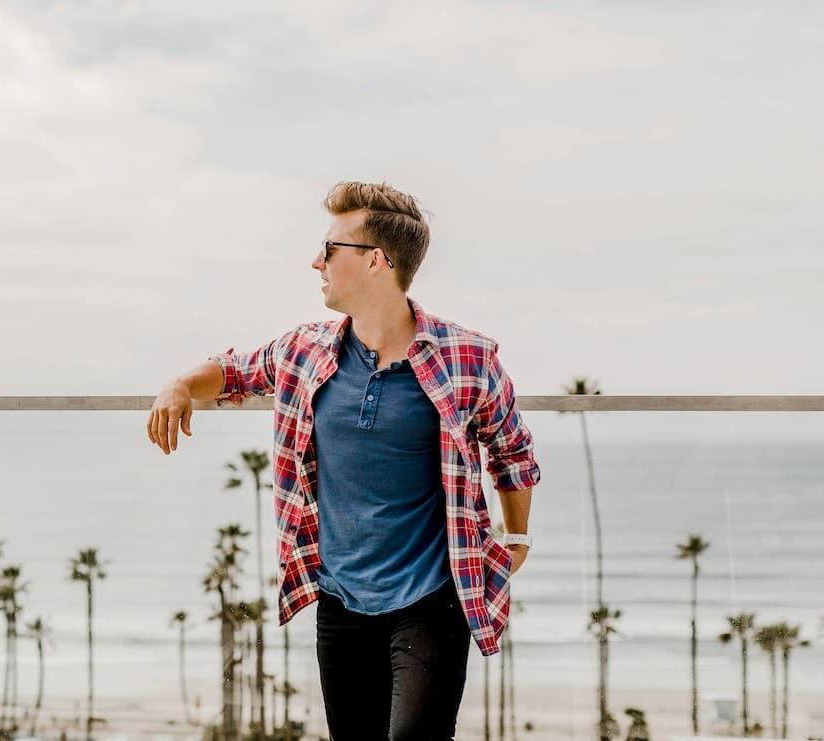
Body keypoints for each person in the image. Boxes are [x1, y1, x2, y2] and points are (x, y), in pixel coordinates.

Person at [147, 181, 541, 739]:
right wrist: (180, 384)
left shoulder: (467, 357)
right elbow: (234, 371)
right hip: (340, 599)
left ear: (376, 261)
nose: (316, 262)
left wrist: (517, 538)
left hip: (432, 599)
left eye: (330, 250)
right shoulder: (304, 349)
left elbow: (512, 450)